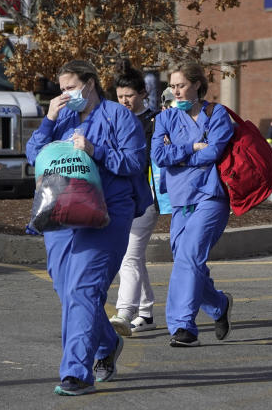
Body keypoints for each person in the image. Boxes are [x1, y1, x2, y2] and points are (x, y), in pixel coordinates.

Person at [26, 60, 153, 396]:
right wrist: (50, 118)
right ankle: (107, 343)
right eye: (62, 89)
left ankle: (76, 374)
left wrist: (95, 150)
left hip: (107, 213)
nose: (66, 94)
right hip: (61, 213)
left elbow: (134, 162)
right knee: (65, 288)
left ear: (91, 83)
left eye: (71, 87)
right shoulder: (62, 117)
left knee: (83, 289)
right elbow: (33, 154)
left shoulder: (118, 116)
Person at [151, 61, 235, 348]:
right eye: (172, 86)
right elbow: (159, 156)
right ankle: (218, 305)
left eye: (181, 85)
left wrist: (180, 155)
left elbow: (213, 152)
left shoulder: (217, 113)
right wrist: (190, 148)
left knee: (189, 256)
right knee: (186, 260)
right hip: (180, 198)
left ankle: (182, 326)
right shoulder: (165, 119)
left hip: (211, 195)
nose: (175, 91)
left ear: (197, 84)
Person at [108, 60, 160, 337]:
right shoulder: (114, 120)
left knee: (128, 257)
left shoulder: (154, 121)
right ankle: (147, 311)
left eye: (129, 95)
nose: (124, 101)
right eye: (119, 97)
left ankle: (124, 313)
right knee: (134, 258)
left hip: (145, 196)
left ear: (142, 93)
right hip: (119, 197)